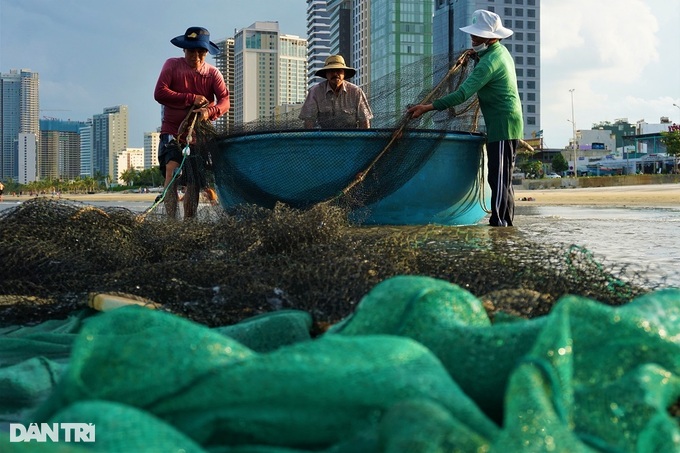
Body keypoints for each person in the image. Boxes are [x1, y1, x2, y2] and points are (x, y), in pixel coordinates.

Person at [407, 10, 523, 227]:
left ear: (492, 37)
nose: (473, 39)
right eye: (473, 35)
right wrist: (475, 54)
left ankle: (500, 226)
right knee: (501, 179)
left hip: (503, 124)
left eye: (477, 36)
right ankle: (504, 224)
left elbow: (461, 95)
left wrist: (427, 107)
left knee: (499, 180)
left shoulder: (490, 62)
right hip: (506, 122)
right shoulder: (498, 52)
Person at [154, 26, 230, 219]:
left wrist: (209, 111)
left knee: (193, 182)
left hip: (198, 135)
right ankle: (171, 221)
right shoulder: (171, 65)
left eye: (200, 52)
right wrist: (191, 98)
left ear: (206, 52)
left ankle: (189, 221)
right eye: (191, 50)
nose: (195, 56)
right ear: (184, 50)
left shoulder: (213, 74)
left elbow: (225, 101)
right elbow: (160, 92)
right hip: (172, 131)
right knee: (172, 174)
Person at [299, 55, 373, 129]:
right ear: (326, 74)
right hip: (324, 137)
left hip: (350, 137)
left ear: (344, 73)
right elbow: (309, 121)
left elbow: (364, 120)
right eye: (331, 71)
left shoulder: (356, 92)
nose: (335, 74)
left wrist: (362, 140)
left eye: (339, 71)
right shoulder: (315, 92)